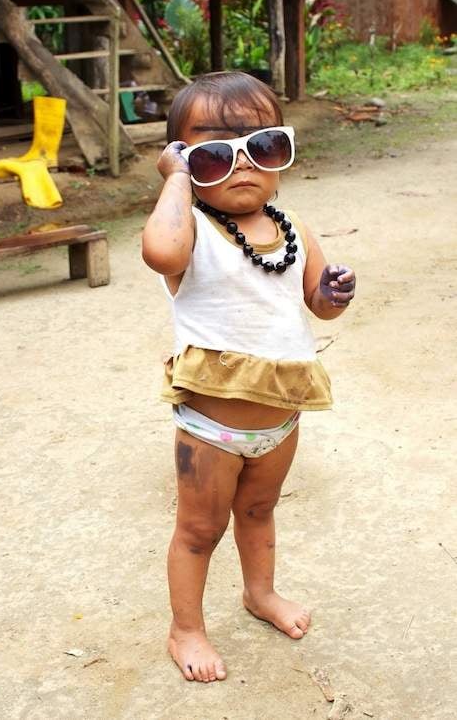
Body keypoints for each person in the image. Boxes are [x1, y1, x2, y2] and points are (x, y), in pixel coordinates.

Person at [141, 71, 356, 683]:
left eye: (262, 146)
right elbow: (159, 252)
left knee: (260, 512)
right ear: (184, 163)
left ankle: (259, 593)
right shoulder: (190, 235)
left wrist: (334, 292)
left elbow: (317, 301)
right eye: (212, 154)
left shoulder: (295, 230)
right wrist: (178, 180)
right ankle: (185, 628)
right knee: (199, 531)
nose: (241, 166)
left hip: (281, 416)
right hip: (212, 428)